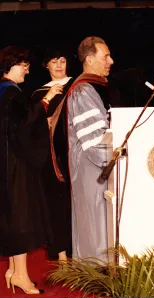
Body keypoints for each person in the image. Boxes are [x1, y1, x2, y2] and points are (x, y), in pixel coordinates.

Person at [0, 45, 62, 294]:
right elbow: (24, 126)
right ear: (11, 65)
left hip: (6, 164)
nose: (27, 70)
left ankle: (14, 271)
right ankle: (22, 275)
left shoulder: (4, 91)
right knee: (21, 219)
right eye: (23, 65)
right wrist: (46, 101)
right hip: (15, 166)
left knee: (14, 219)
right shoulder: (11, 92)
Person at [67, 36, 114, 262]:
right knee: (95, 222)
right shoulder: (83, 91)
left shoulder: (91, 88)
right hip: (93, 167)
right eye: (105, 56)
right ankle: (95, 277)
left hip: (96, 166)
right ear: (89, 59)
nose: (111, 61)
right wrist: (116, 159)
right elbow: (95, 140)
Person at [32, 47, 74, 262]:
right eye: (53, 61)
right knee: (57, 205)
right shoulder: (39, 95)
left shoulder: (78, 86)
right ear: (46, 65)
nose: (59, 65)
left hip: (76, 154)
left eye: (63, 60)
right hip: (52, 158)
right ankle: (61, 253)